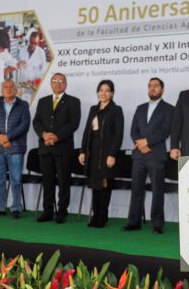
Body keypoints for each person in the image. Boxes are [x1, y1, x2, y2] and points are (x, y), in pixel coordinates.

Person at [121, 78, 174, 235]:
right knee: (136, 190)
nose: (153, 89)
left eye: (156, 86)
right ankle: (133, 222)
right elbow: (133, 130)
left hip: (156, 155)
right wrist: (141, 144)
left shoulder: (169, 109)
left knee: (157, 190)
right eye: (150, 86)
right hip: (139, 156)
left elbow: (165, 131)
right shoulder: (140, 108)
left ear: (162, 90)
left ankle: (157, 224)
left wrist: (147, 142)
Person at [33, 73, 81, 223]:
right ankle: (47, 211)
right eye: (55, 81)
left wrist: (56, 137)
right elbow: (36, 122)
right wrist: (44, 134)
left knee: (63, 182)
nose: (58, 84)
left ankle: (61, 212)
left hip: (63, 148)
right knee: (47, 181)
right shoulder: (42, 101)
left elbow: (73, 124)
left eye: (61, 81)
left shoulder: (73, 101)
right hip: (45, 147)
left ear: (66, 85)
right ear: (51, 84)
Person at [78, 80, 124, 228]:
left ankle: (103, 216)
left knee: (105, 185)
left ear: (112, 93)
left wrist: (112, 154)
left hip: (107, 154)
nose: (104, 93)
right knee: (95, 185)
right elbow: (86, 132)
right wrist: (82, 151)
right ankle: (95, 215)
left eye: (107, 90)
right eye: (101, 90)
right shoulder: (93, 109)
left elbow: (118, 135)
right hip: (92, 153)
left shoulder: (116, 110)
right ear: (97, 92)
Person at [0, 79, 30, 219]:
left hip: (16, 148)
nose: (8, 89)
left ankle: (16, 207)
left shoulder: (23, 105)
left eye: (11, 87)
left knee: (16, 179)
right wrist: (0, 138)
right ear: (2, 90)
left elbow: (24, 125)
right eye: (5, 87)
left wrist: (8, 137)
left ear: (16, 90)